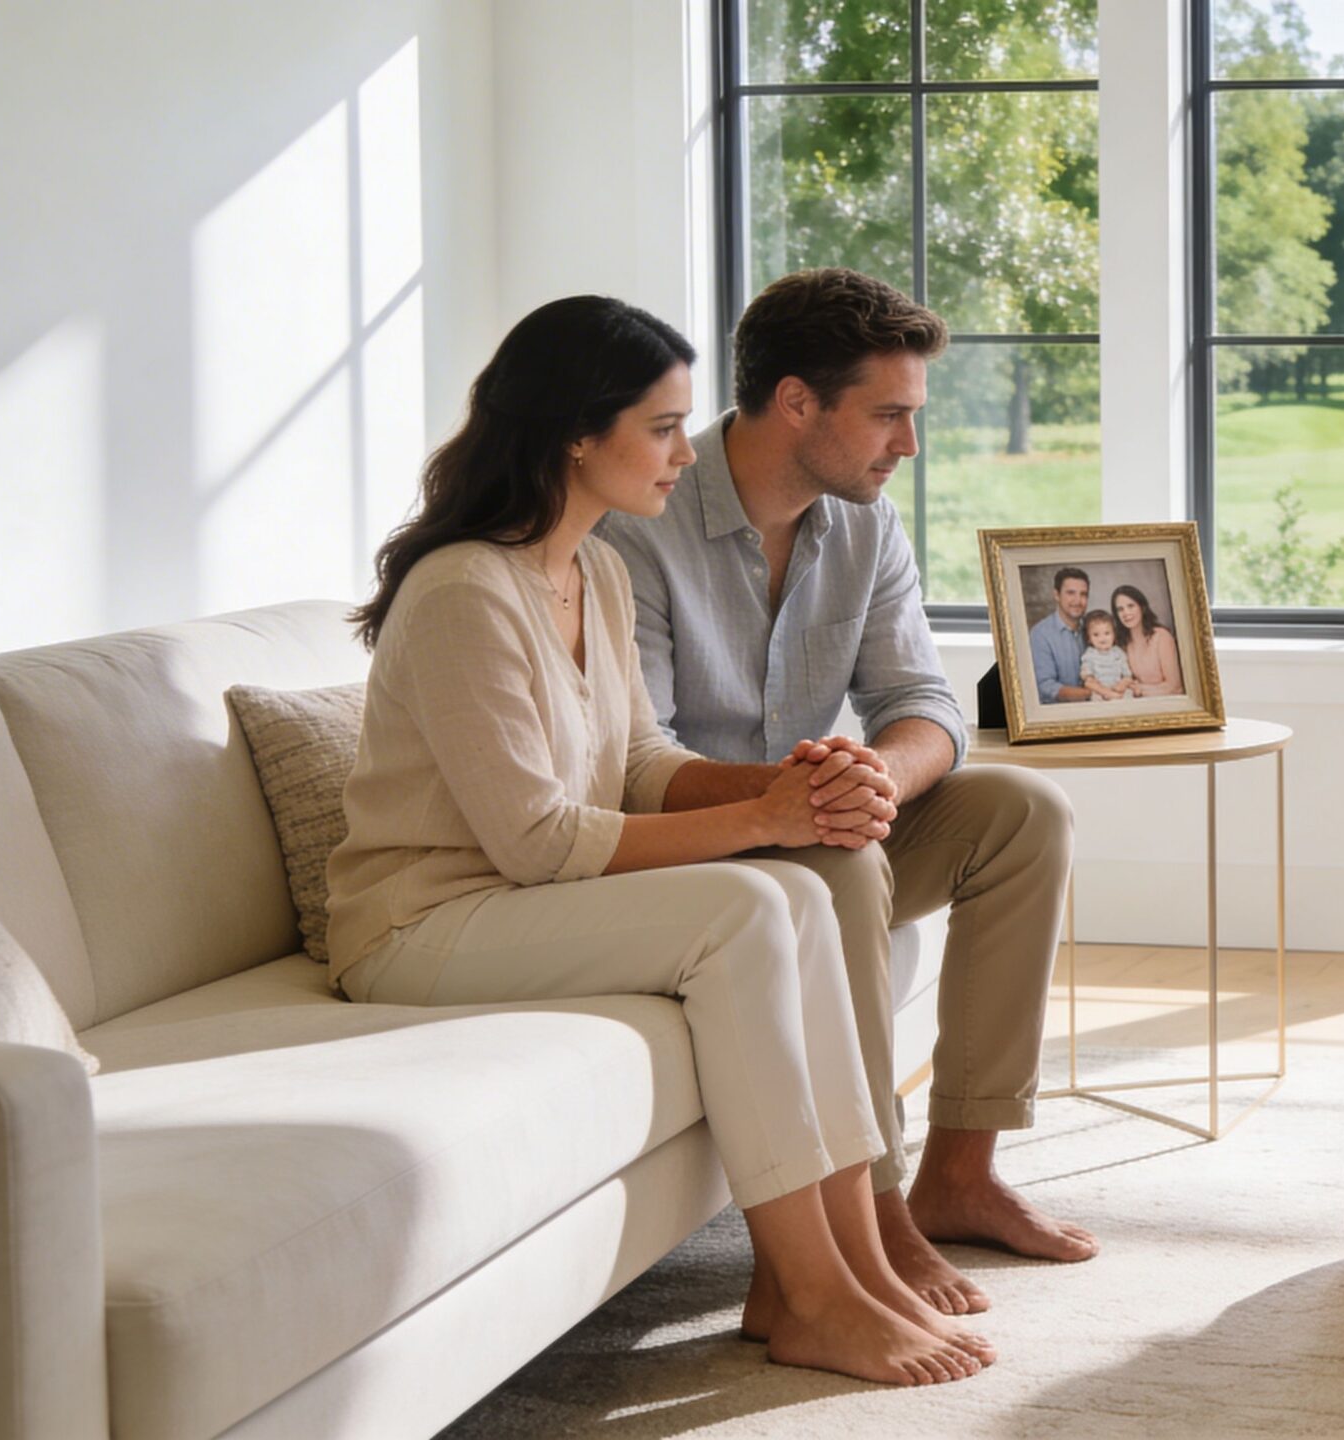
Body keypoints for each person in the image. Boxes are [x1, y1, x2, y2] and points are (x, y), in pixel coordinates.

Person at [326, 296, 988, 1385]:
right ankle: (814, 1290)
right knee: (747, 902)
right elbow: (537, 842)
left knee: (801, 889)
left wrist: (796, 792)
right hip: (420, 924)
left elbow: (637, 766)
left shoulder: (595, 572)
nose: (689, 452)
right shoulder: (461, 594)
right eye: (663, 428)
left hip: (518, 904)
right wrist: (766, 821)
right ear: (577, 435)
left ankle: (849, 1267)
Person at [600, 268, 1091, 1319]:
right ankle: (873, 1207)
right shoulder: (637, 524)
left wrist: (877, 772)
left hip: (821, 815)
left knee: (1023, 813)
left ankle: (961, 1173)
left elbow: (921, 699)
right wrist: (807, 801)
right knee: (841, 851)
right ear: (795, 402)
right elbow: (630, 759)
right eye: (889, 416)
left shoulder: (864, 526)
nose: (906, 445)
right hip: (701, 841)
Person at [1029, 569, 1093, 703]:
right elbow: (1046, 687)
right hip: (1058, 716)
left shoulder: (1093, 629)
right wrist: (1095, 693)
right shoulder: (1040, 634)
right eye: (1071, 593)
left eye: (1083, 594)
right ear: (1056, 595)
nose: (1078, 600)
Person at [1110, 584, 1182, 698]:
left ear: (1142, 607)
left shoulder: (1161, 636)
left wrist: (1139, 690)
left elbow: (1175, 686)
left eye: (1131, 606)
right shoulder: (1122, 643)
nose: (1126, 613)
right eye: (1120, 609)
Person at [1077, 610, 1135, 701]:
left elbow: (1127, 676)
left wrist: (1121, 685)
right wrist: (1106, 692)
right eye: (1096, 635)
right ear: (1089, 638)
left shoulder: (1118, 653)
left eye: (1107, 633)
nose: (1102, 638)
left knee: (1129, 694)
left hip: (1118, 689)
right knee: (1093, 692)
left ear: (1114, 635)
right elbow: (1088, 681)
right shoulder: (1089, 654)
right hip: (1100, 691)